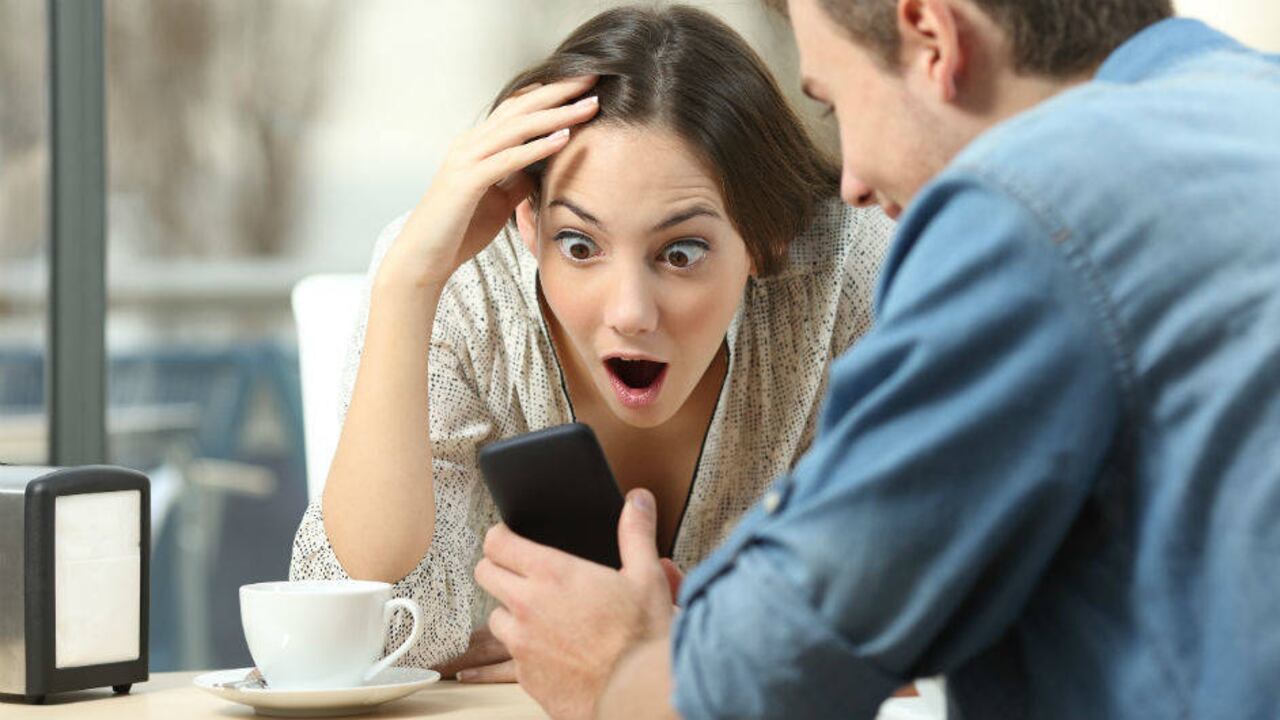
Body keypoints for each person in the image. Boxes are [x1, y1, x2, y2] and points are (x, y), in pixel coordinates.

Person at [474, 0, 1280, 717]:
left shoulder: (1025, 202)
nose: (852, 184)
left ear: (932, 36)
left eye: (832, 101)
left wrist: (615, 669)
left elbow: (748, 685)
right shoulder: (1251, 102)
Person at [288, 4, 894, 682]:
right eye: (579, 245)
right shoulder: (459, 280)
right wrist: (407, 284)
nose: (630, 313)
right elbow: (356, 638)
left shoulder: (851, 271)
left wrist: (670, 645)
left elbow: (922, 609)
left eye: (682, 253)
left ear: (764, 235)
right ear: (528, 223)